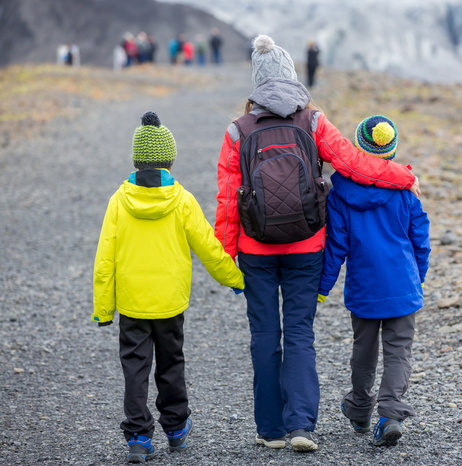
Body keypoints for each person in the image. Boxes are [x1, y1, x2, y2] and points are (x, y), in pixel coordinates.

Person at [214, 35, 420, 453]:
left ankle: (270, 430)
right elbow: (354, 162)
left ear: (255, 84)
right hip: (307, 245)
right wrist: (405, 177)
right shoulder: (312, 120)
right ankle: (302, 426)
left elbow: (227, 201)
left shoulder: (238, 130)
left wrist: (226, 257)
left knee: (264, 336)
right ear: (292, 76)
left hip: (254, 251)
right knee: (300, 335)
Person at [93, 111, 245, 463]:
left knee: (135, 367)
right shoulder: (182, 200)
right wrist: (235, 280)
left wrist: (103, 309)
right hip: (170, 302)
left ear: (136, 161)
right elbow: (208, 247)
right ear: (170, 161)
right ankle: (176, 429)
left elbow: (104, 260)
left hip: (132, 303)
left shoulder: (119, 202)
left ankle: (138, 436)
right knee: (171, 363)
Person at [317, 115, 430, 447]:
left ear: (357, 149)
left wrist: (322, 289)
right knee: (398, 353)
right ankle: (391, 415)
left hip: (364, 289)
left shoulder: (339, 196)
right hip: (403, 288)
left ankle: (360, 409)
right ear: (391, 154)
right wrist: (417, 279)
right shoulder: (406, 193)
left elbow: (335, 247)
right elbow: (420, 240)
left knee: (363, 352)